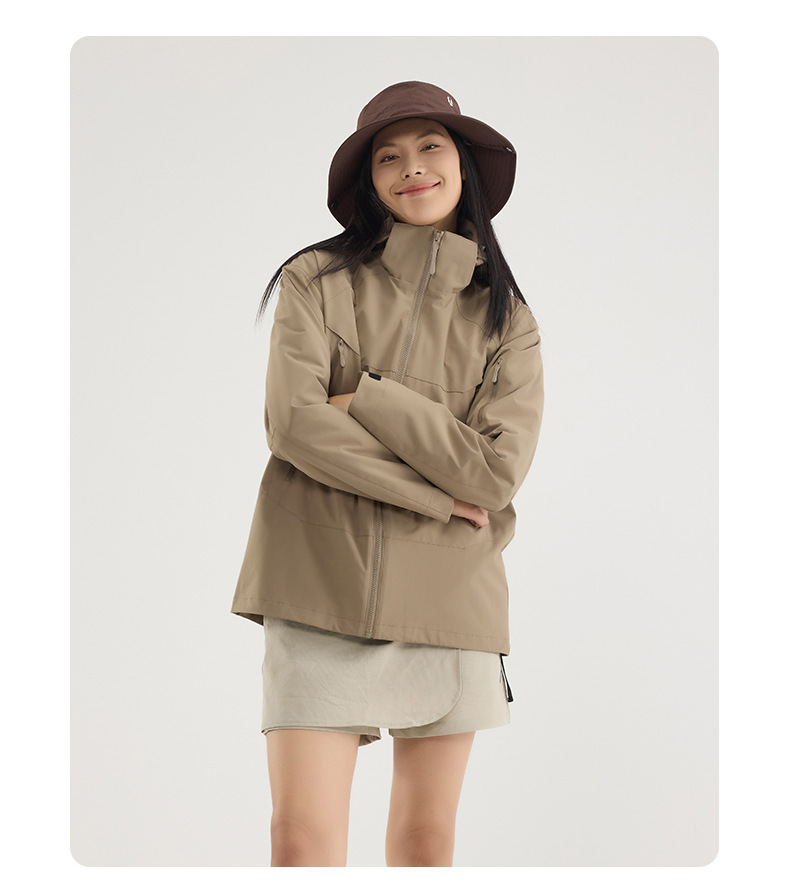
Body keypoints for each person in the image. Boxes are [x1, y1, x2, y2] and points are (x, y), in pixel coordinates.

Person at [230, 81, 545, 866]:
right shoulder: (315, 280)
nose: (412, 168)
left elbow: (494, 474)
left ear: (463, 166)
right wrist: (434, 494)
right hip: (316, 579)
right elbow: (295, 424)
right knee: (299, 840)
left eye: (430, 147)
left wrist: (369, 398)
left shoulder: (508, 321)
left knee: (424, 843)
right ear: (370, 182)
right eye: (388, 157)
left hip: (448, 596)